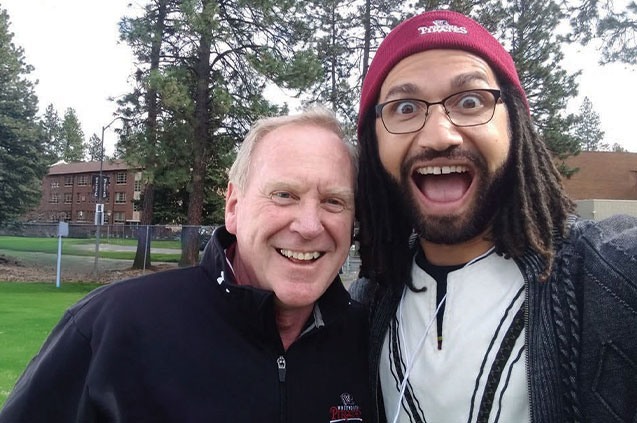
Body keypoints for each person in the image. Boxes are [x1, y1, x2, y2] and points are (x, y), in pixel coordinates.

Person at [351, 9, 637, 423]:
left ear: (515, 124)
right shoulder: (367, 302)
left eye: (470, 101)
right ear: (373, 144)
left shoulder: (610, 274)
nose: (438, 136)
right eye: (405, 107)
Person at [1, 108, 370, 422]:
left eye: (334, 201)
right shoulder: (115, 325)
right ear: (234, 207)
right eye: (284, 195)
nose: (308, 226)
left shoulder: (370, 341)